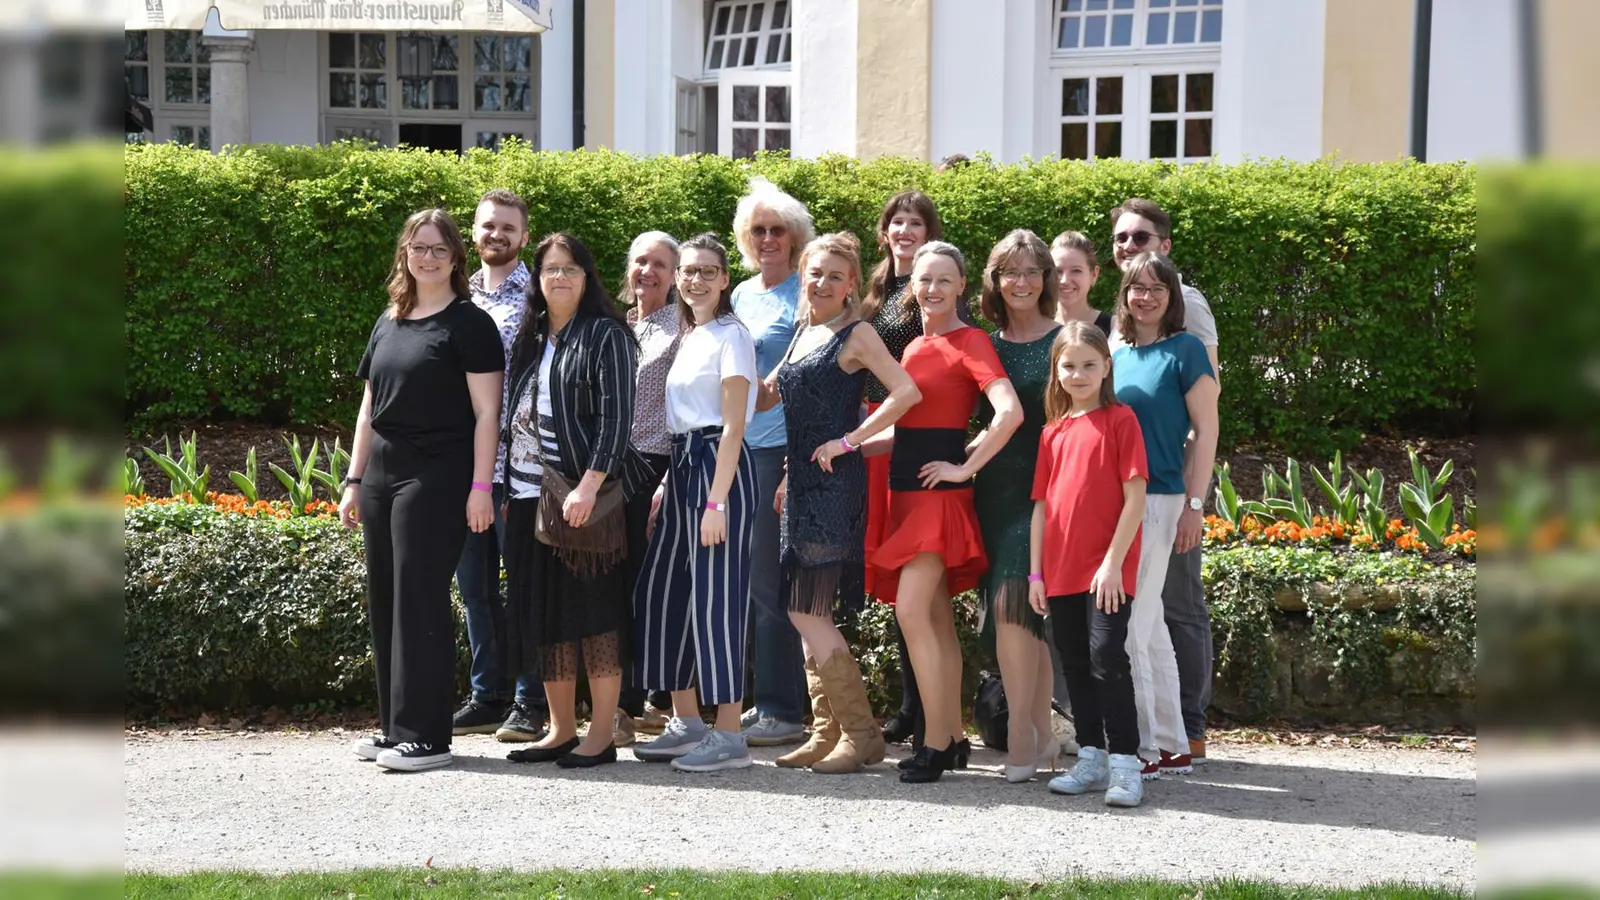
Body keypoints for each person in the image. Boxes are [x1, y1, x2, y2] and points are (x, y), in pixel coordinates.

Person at [340, 208, 504, 772]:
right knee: (386, 594)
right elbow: (368, 406)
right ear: (404, 254)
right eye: (418, 247)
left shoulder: (469, 324)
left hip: (438, 472)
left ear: (456, 258)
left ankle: (428, 737)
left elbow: (487, 414)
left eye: (438, 248)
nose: (427, 257)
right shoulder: (390, 318)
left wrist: (481, 487)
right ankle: (395, 728)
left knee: (420, 595)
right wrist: (354, 479)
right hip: (383, 469)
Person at [756, 233, 921, 774]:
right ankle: (827, 731)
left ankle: (860, 733)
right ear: (801, 275)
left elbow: (906, 393)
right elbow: (769, 395)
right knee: (809, 611)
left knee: (805, 609)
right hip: (800, 482)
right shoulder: (804, 330)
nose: (821, 282)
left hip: (834, 483)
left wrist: (849, 441)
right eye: (814, 273)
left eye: (834, 275)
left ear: (852, 283)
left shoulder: (858, 333)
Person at [871, 241, 1022, 784]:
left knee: (911, 612)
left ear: (962, 286)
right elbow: (904, 429)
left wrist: (965, 466)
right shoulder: (914, 348)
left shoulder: (971, 340)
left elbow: (1009, 412)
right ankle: (952, 738)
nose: (931, 289)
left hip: (938, 500)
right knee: (932, 620)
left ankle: (934, 742)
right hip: (904, 495)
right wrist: (842, 448)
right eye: (923, 280)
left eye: (943, 280)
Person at [501, 233, 640, 769]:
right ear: (537, 279)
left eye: (570, 268)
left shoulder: (607, 336)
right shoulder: (533, 337)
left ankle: (601, 734)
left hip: (584, 499)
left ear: (587, 277)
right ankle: (560, 730)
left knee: (594, 614)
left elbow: (616, 419)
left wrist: (587, 484)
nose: (559, 277)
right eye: (549, 269)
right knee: (546, 616)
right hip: (528, 494)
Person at [631, 234, 762, 773]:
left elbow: (733, 426)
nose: (696, 280)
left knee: (718, 600)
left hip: (718, 471)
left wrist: (716, 502)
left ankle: (728, 732)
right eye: (688, 271)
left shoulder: (733, 336)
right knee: (663, 593)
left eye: (709, 271)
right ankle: (686, 721)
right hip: (683, 467)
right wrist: (668, 484)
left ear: (725, 278)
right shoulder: (690, 334)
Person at [1107, 198, 1221, 765]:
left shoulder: (1188, 350)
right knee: (1147, 628)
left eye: (1156, 288)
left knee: (1135, 622)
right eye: (1136, 289)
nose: (1145, 296)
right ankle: (1172, 741)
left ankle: (1144, 746)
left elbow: (1206, 431)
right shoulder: (1116, 352)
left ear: (1172, 296)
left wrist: (1194, 506)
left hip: (1163, 500)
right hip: (1119, 502)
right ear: (1123, 296)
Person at [1027, 321, 1150, 807]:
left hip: (1108, 571)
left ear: (1106, 368)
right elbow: (1040, 506)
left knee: (1107, 659)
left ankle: (1125, 764)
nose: (1078, 374)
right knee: (1075, 662)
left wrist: (1112, 564)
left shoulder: (1121, 421)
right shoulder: (1052, 432)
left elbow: (1135, 497)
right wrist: (1036, 572)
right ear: (1056, 371)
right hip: (1058, 569)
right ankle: (1092, 757)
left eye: (1088, 365)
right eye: (1069, 366)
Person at [450, 189, 548, 745]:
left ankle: (529, 700)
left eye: (507, 228)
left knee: (525, 586)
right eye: (488, 226)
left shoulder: (538, 298)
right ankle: (487, 694)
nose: (496, 236)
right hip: (463, 467)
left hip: (522, 468)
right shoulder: (456, 299)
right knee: (476, 587)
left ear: (523, 236)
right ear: (475, 232)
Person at [971, 230, 1063, 783]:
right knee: (1022, 616)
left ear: (1047, 280)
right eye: (1011, 272)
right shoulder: (986, 342)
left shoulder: (1065, 340)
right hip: (992, 488)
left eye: (1032, 272)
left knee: (1015, 604)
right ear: (995, 281)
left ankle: (1023, 737)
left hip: (1049, 488)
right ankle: (1043, 734)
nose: (1021, 282)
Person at [729, 178, 815, 748]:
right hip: (734, 448)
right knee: (741, 583)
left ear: (795, 237)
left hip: (777, 449)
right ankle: (748, 701)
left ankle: (782, 708)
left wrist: (790, 464)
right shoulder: (739, 294)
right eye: (757, 230)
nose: (766, 239)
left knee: (769, 584)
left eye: (776, 230)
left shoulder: (807, 294)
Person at [859, 190, 943, 747]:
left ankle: (923, 707)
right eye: (896, 222)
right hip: (865, 432)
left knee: (913, 573)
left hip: (907, 434)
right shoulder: (873, 292)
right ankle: (911, 705)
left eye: (916, 223)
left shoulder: (930, 294)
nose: (905, 230)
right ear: (884, 231)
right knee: (887, 572)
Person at [614, 231, 685, 746]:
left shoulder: (684, 328)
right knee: (612, 586)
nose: (648, 272)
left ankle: (637, 702)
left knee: (644, 588)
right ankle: (628, 699)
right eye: (641, 261)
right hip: (607, 472)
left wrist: (668, 479)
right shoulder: (615, 326)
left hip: (655, 469)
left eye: (661, 264)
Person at [1050, 230, 1112, 337]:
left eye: (1076, 271)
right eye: (1058, 271)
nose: (1065, 280)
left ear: (1094, 275)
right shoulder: (1035, 329)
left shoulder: (1114, 329)